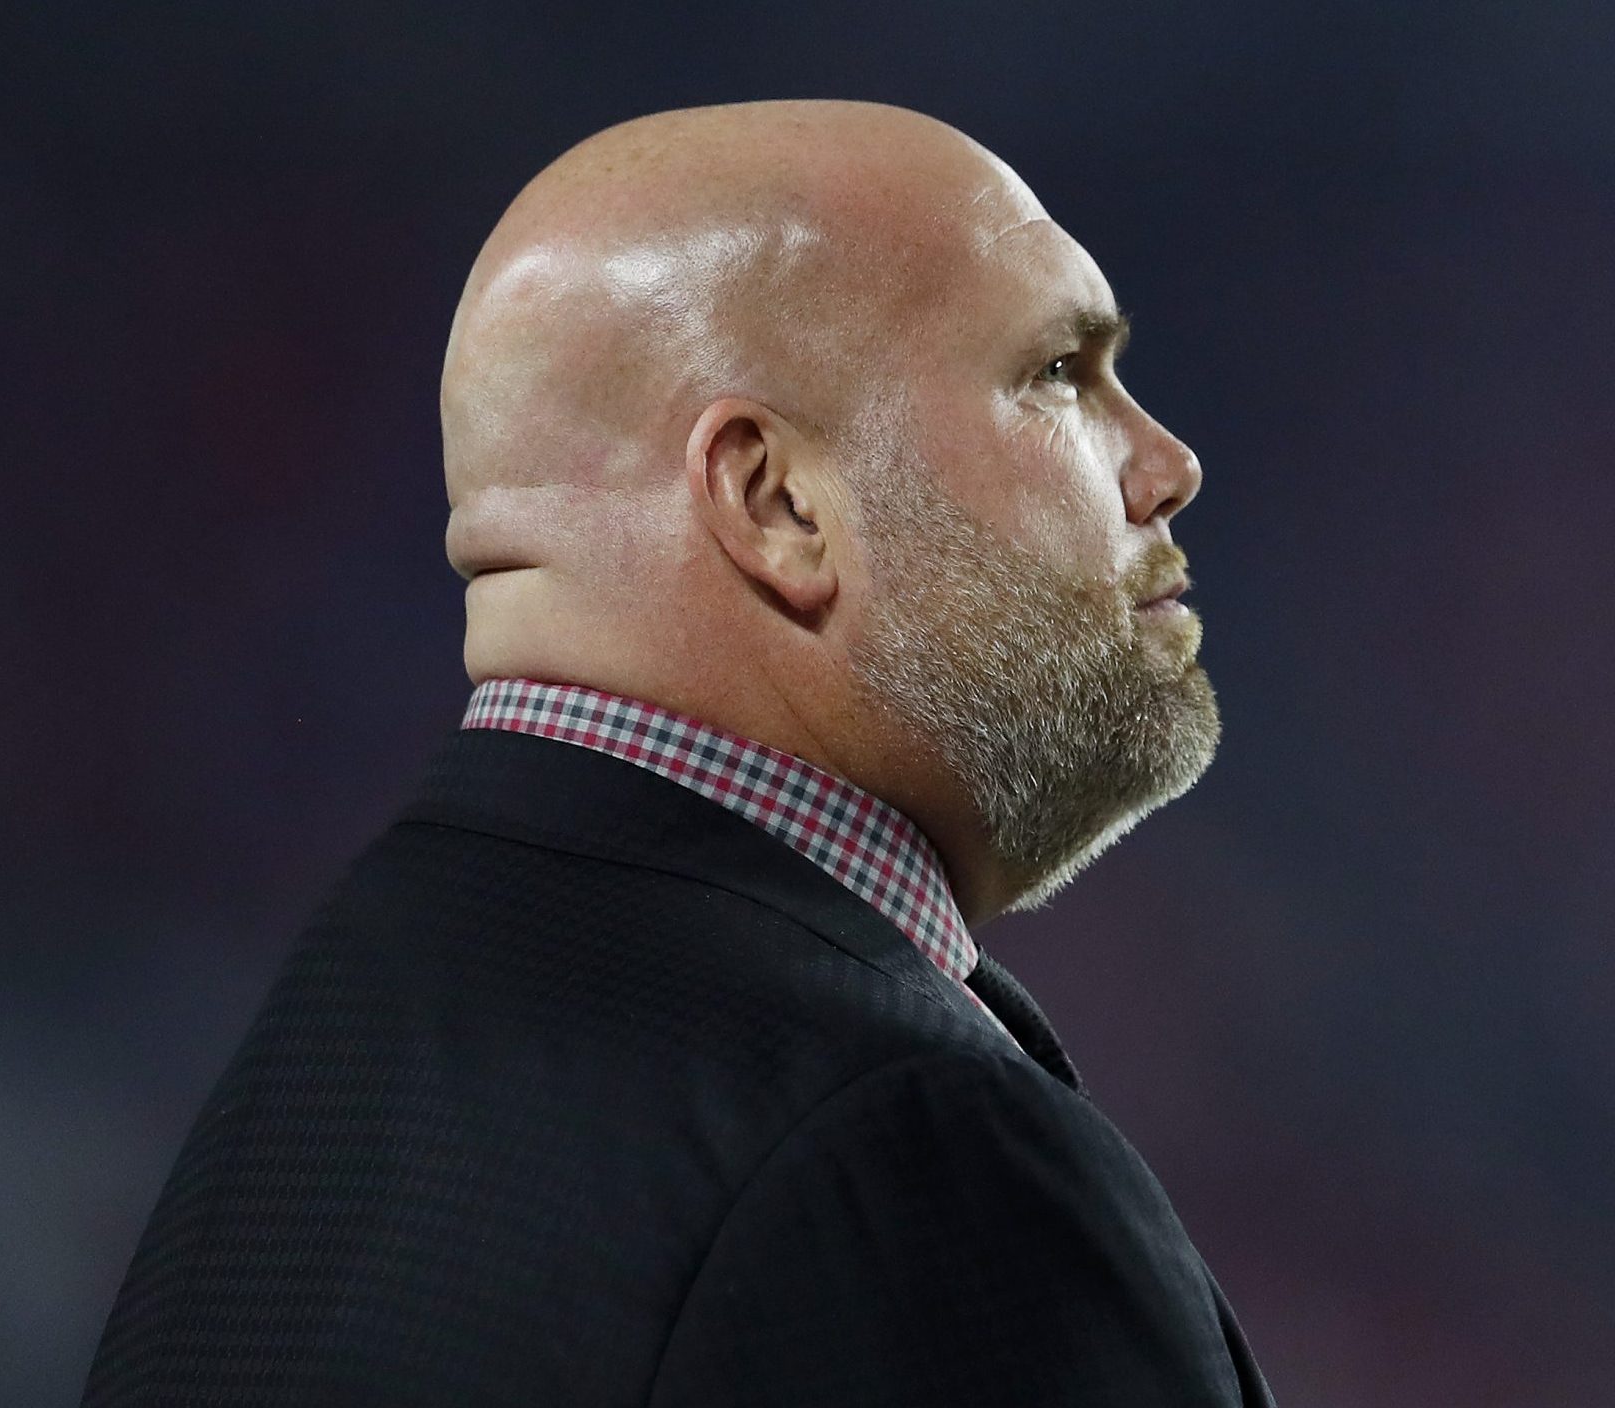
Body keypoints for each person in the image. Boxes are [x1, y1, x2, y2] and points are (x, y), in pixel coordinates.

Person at [80, 99, 1273, 1406]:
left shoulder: (312, 1099)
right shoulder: (899, 1145)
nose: (1167, 463)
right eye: (1055, 374)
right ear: (776, 501)